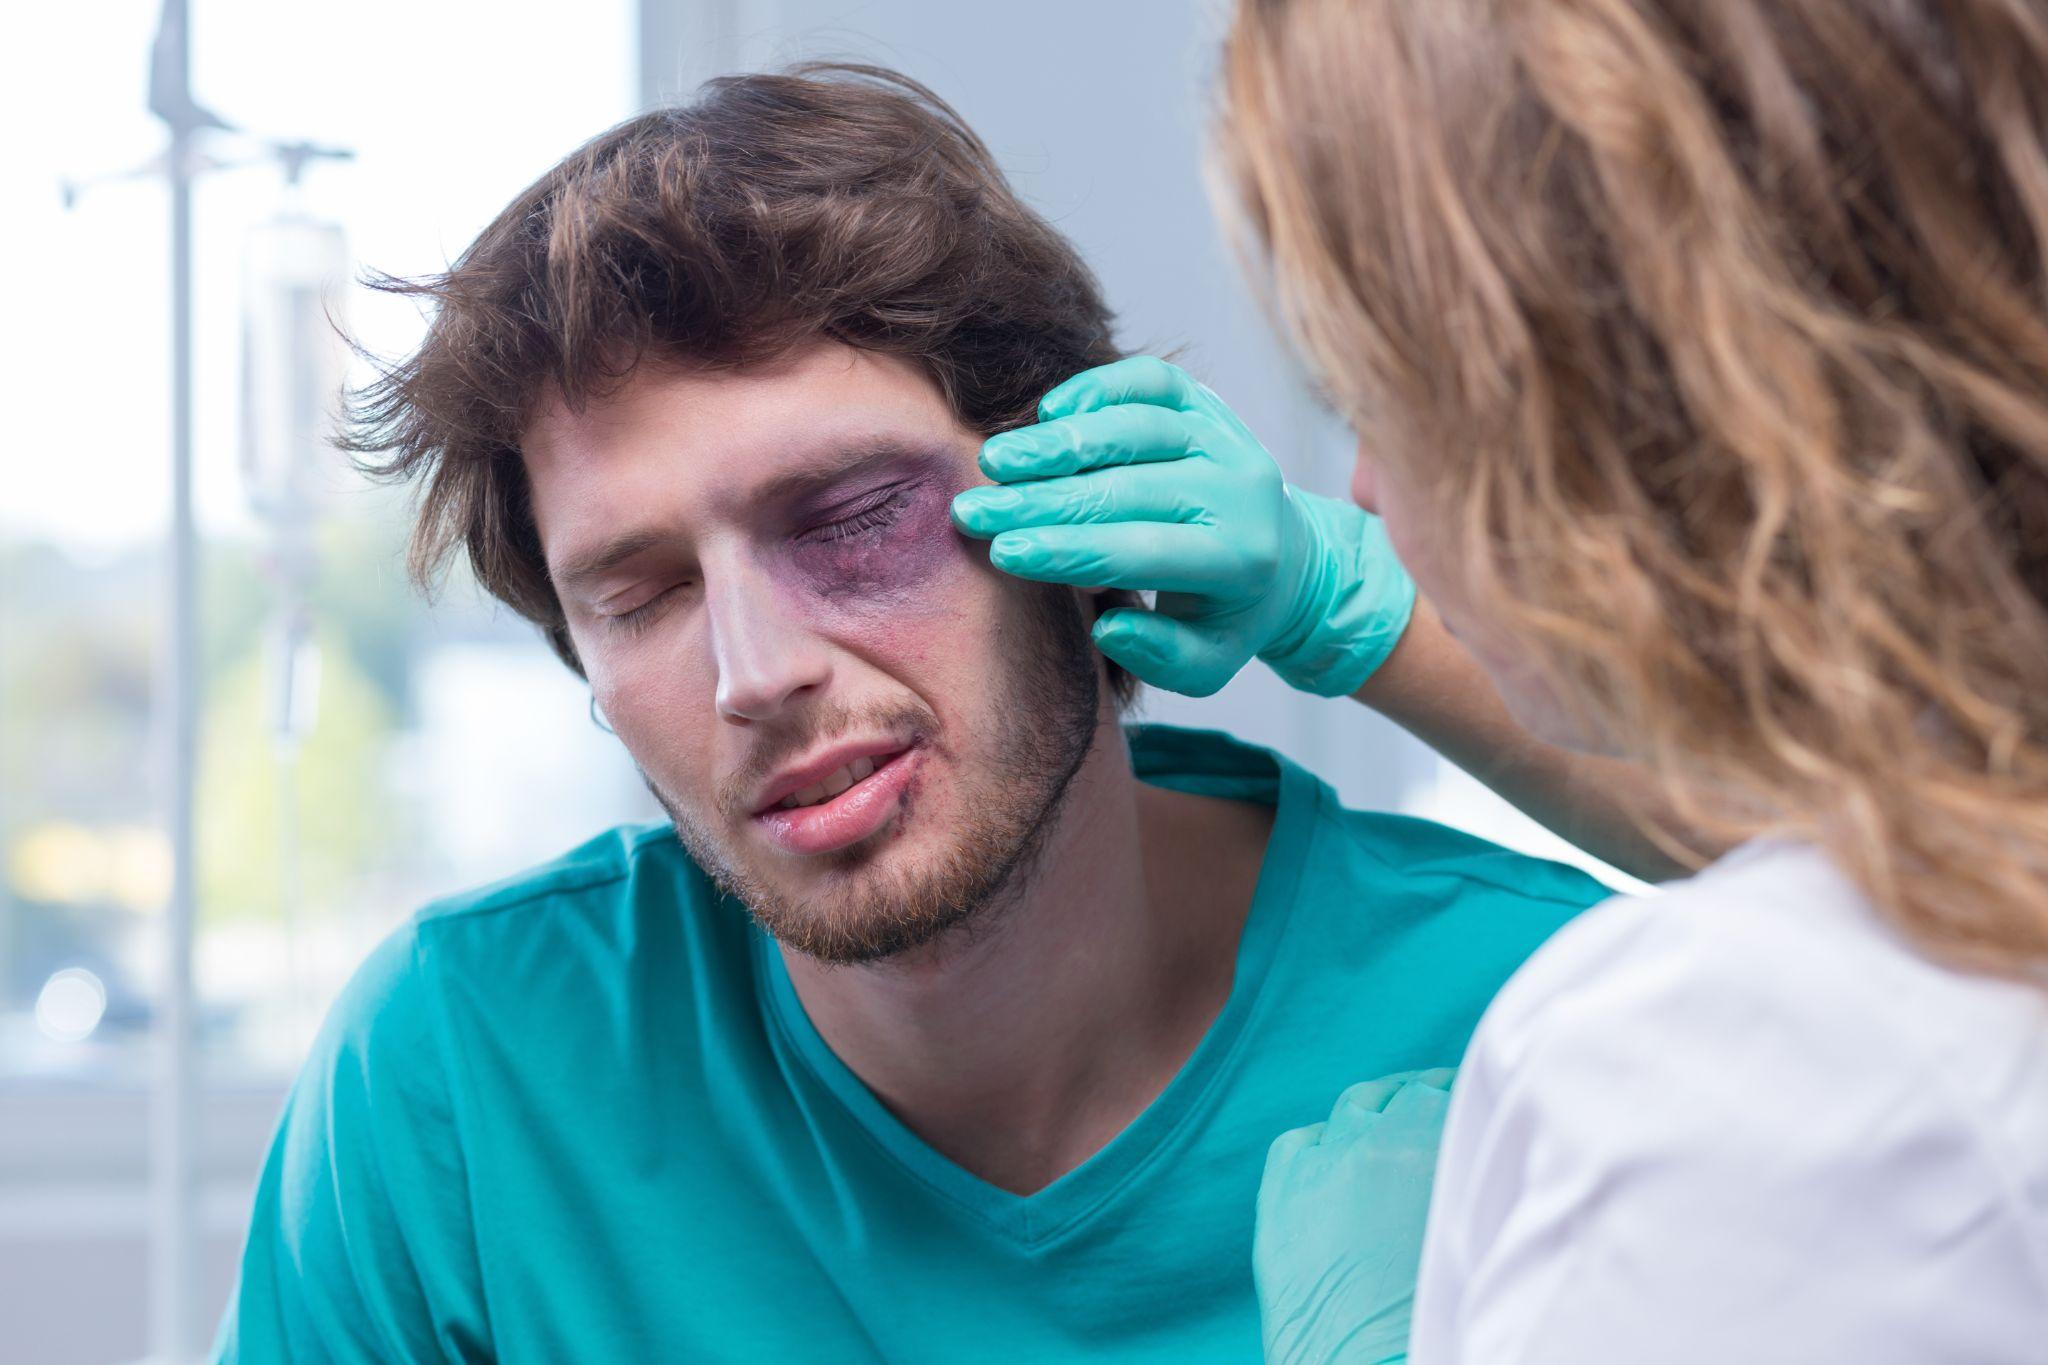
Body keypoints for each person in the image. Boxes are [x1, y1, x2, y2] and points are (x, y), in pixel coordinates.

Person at [208, 65, 1648, 1363]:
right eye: (640, 593)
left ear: (1084, 511)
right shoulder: (468, 1076)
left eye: (849, 515)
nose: (753, 673)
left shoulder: (1534, 1018)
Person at [954, 2, 2048, 1360]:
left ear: (1588, 390)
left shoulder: (1722, 1065)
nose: (1356, 489)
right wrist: (1337, 605)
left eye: (1379, 394)